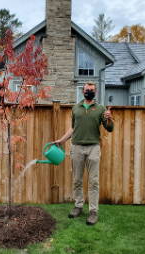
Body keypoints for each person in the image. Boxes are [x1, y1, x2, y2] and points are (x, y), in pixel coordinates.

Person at [53, 81, 114, 226]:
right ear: (82, 92)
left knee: (94, 181)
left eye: (92, 90)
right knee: (77, 180)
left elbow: (109, 129)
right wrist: (62, 140)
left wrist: (110, 119)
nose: (89, 92)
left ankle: (93, 212)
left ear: (95, 92)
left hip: (93, 147)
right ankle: (78, 206)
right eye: (87, 90)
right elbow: (73, 128)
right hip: (77, 148)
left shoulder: (101, 109)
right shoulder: (76, 109)